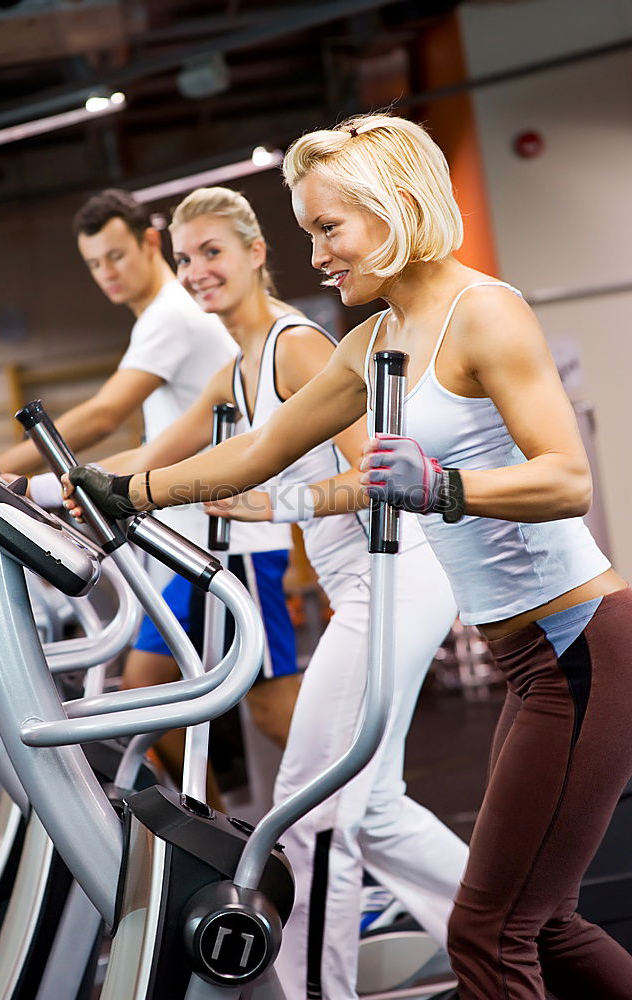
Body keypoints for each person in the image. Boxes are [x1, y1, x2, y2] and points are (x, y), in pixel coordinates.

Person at [63, 114, 632, 1000]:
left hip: (583, 644)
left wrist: (442, 487)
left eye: (329, 228)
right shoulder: (371, 345)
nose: (319, 255)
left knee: (488, 933)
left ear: (395, 206)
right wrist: (126, 492)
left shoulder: (486, 311)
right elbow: (256, 452)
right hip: (525, 660)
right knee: (543, 923)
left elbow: (564, 480)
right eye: (308, 233)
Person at [64, 184, 468, 999]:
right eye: (185, 259)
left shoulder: (295, 346)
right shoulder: (239, 366)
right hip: (364, 583)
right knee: (369, 809)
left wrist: (279, 501)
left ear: (255, 253)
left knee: (308, 807)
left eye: (213, 251)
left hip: (391, 574)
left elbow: (377, 476)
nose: (198, 270)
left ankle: (315, 988)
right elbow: (149, 464)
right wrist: (37, 485)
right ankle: (507, 929)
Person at [0, 188, 298, 808]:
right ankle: (217, 832)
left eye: (116, 256)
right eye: (94, 264)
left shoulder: (185, 320)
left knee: (266, 713)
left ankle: (341, 823)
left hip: (233, 537)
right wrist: (41, 488)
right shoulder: (219, 353)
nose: (107, 274)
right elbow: (152, 452)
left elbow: (107, 414)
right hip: (192, 536)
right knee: (150, 699)